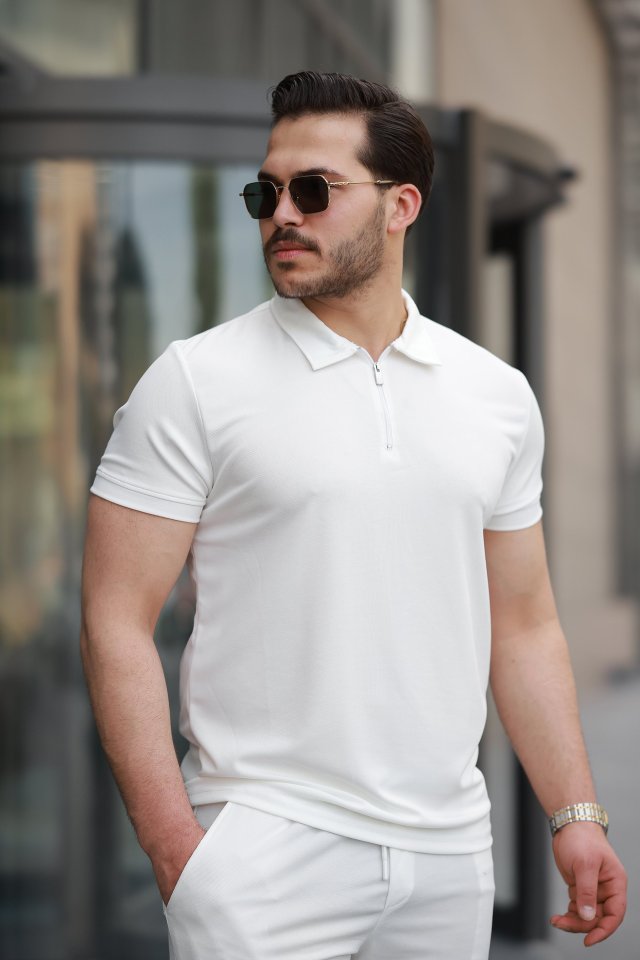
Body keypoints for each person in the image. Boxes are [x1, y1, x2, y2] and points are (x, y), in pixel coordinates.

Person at [80, 71, 627, 960]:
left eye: (313, 190)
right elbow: (114, 620)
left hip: (448, 852)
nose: (281, 215)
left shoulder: (495, 396)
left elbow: (524, 625)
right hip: (263, 845)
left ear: (401, 205)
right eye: (265, 193)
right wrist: (180, 855)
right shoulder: (194, 383)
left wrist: (575, 815)